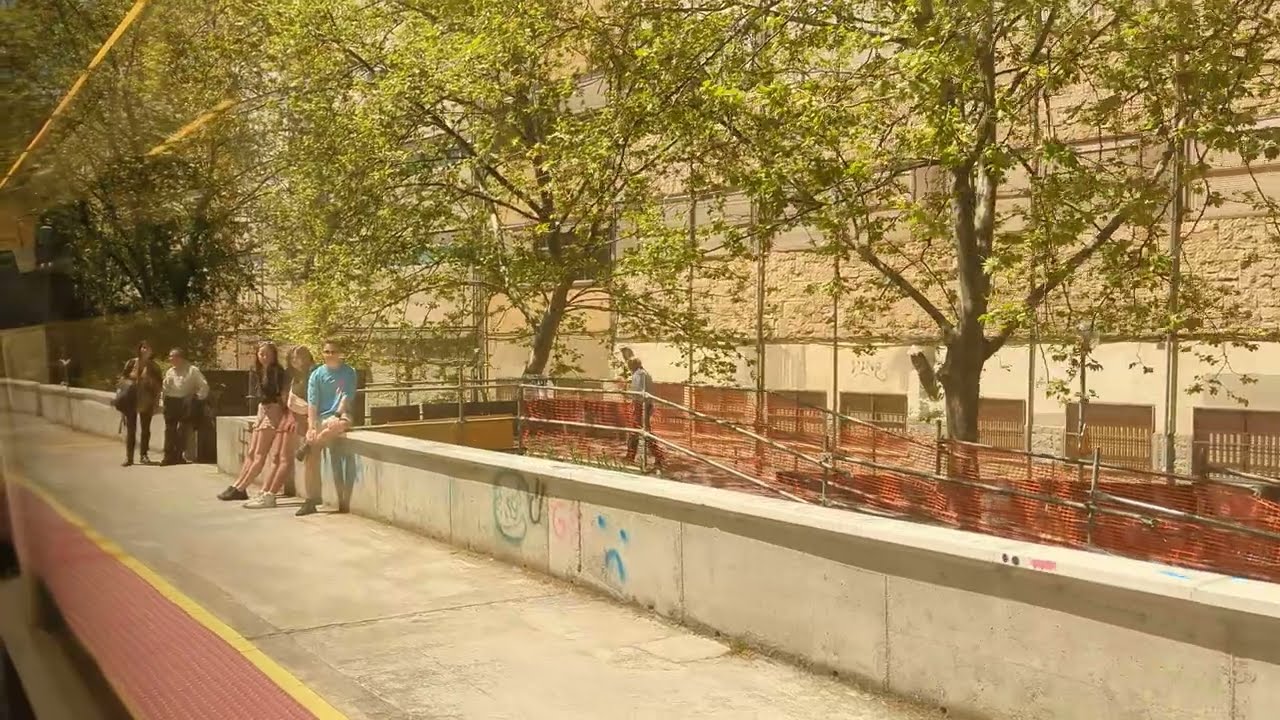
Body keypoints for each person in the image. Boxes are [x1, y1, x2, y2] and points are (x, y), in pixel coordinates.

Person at [244, 345, 315, 509]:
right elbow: (286, 400)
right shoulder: (293, 376)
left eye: (301, 356)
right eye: (293, 357)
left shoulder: (311, 376)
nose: (297, 360)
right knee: (276, 456)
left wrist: (294, 418)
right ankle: (265, 491)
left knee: (284, 459)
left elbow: (310, 403)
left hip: (299, 421)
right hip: (288, 416)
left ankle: (270, 495)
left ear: (309, 358)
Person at [295, 338, 358, 517]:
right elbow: (312, 403)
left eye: (333, 352)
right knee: (311, 457)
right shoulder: (316, 375)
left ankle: (310, 444)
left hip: (340, 414)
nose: (330, 355)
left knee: (338, 425)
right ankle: (310, 500)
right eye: (327, 352)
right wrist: (311, 427)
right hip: (320, 417)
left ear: (340, 354)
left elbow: (346, 396)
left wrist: (336, 415)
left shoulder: (349, 372)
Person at [218, 342, 287, 501]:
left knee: (260, 454)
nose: (264, 357)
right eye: (261, 354)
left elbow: (278, 395)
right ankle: (237, 485)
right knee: (252, 452)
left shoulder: (276, 371)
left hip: (273, 410)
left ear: (274, 355)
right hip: (263, 409)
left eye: (267, 354)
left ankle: (242, 487)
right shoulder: (260, 371)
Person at [160, 348, 210, 466]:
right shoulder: (170, 371)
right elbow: (164, 388)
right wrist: (162, 402)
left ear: (180, 358)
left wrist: (198, 398)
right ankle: (168, 456)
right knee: (169, 429)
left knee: (182, 429)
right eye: (170, 356)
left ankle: (178, 455)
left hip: (185, 401)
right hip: (171, 401)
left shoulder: (192, 370)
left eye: (173, 356)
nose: (171, 359)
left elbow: (204, 385)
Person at [119, 341, 163, 467]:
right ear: (139, 349)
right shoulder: (131, 363)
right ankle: (129, 458)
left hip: (147, 400)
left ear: (151, 351)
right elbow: (122, 380)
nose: (145, 350)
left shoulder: (154, 366)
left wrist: (156, 401)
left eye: (148, 348)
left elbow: (159, 386)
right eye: (143, 347)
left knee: (145, 430)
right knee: (131, 430)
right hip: (131, 400)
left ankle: (144, 455)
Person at [624, 356, 664, 470]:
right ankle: (631, 456)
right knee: (637, 431)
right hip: (645, 404)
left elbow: (636, 391)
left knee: (641, 431)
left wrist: (626, 393)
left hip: (641, 405)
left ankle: (658, 456)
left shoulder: (639, 374)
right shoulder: (644, 373)